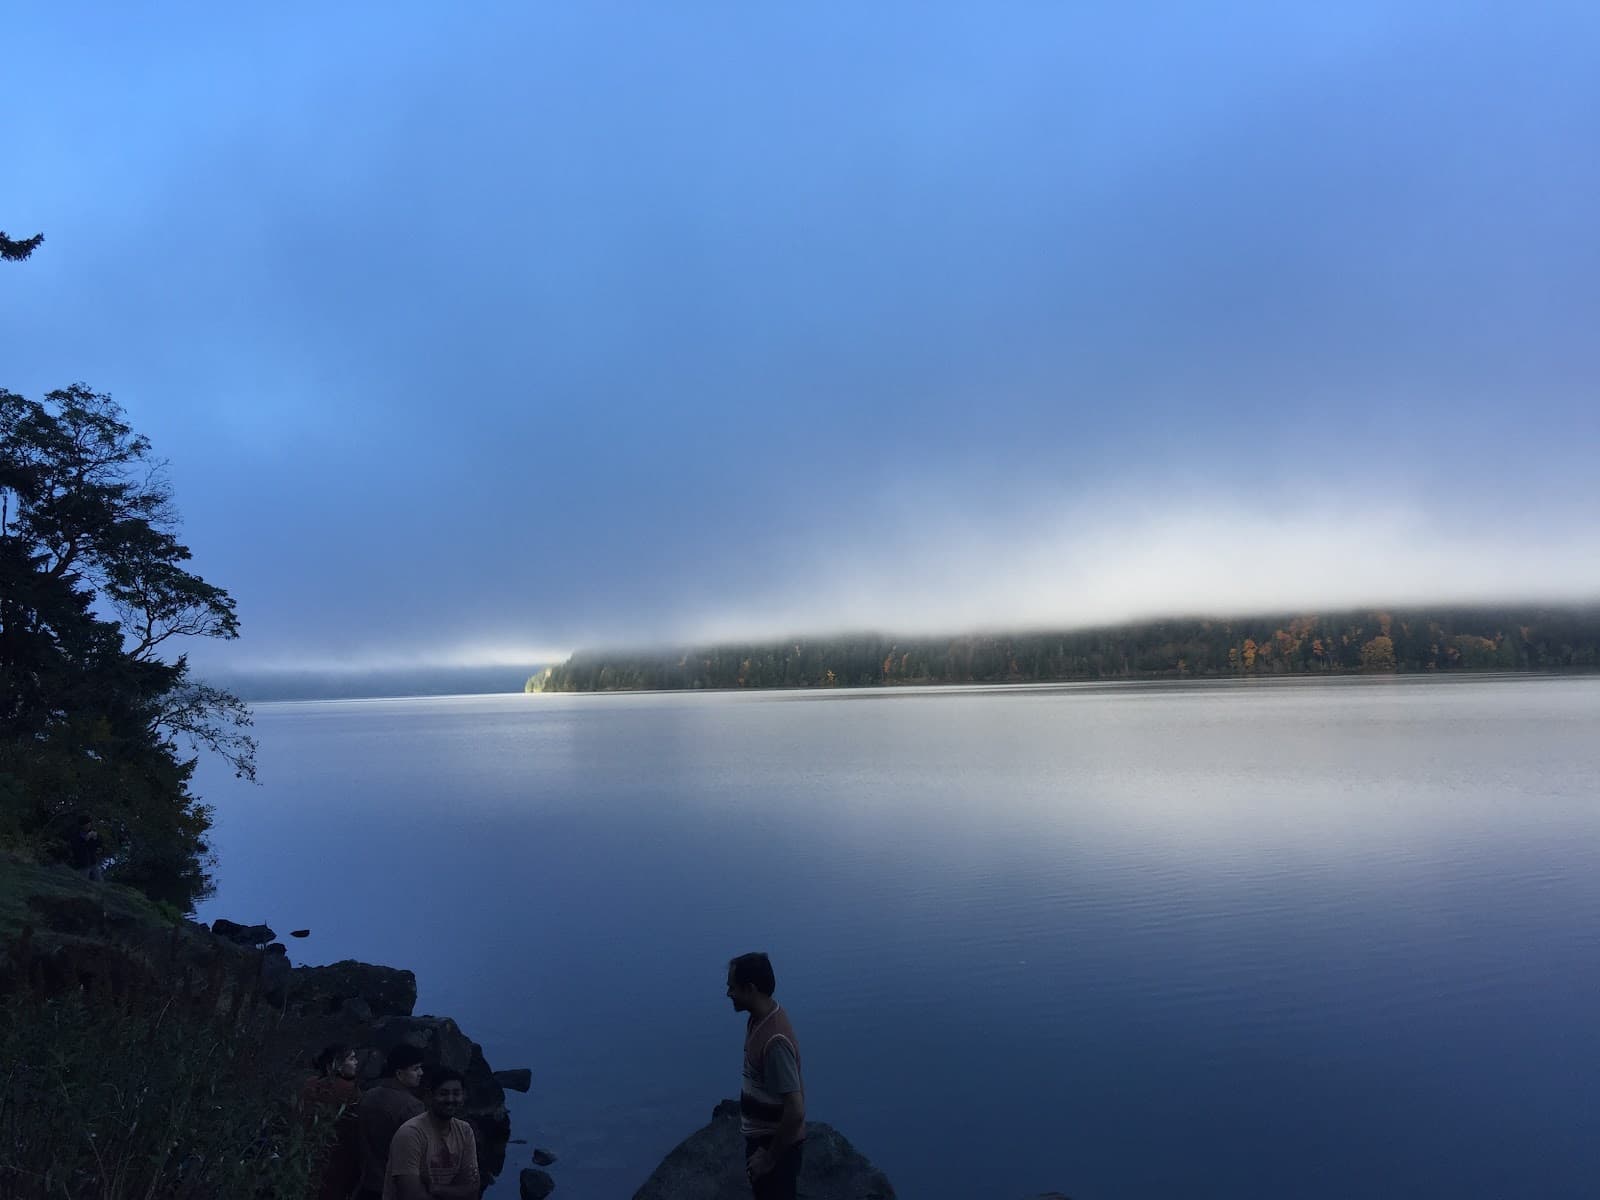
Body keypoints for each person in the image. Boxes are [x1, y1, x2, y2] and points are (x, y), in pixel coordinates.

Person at [726, 952, 805, 1199]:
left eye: (732, 987)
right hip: (762, 1141)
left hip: (774, 1147)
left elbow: (795, 1110)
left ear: (750, 989)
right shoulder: (758, 1019)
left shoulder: (775, 1041)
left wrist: (769, 1158)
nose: (728, 993)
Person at [383, 1065, 479, 1200]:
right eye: (443, 1093)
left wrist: (435, 1188)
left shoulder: (465, 1131)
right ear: (430, 1095)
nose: (451, 1099)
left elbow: (472, 1190)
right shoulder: (410, 1134)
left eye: (456, 1094)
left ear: (463, 1097)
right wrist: (454, 1192)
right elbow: (411, 1195)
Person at [354, 1045, 426, 1200]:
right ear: (399, 1073)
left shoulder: (367, 1096)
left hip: (367, 1184)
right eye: (416, 1069)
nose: (421, 1073)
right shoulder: (411, 1106)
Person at [302, 1044, 362, 1200]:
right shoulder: (348, 1089)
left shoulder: (311, 1082)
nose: (356, 1062)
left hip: (307, 1146)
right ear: (338, 1064)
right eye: (352, 1058)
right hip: (336, 1152)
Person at [68, 813, 103, 881]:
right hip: (82, 863)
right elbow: (77, 848)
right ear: (82, 825)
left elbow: (97, 845)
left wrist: (95, 840)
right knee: (83, 881)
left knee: (99, 880)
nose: (88, 826)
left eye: (89, 824)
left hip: (93, 861)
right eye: (86, 824)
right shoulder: (76, 835)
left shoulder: (92, 833)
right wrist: (86, 840)